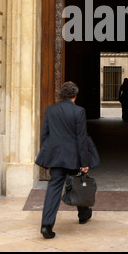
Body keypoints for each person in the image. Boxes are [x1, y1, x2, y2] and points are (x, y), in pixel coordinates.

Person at [35, 81, 92, 239]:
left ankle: (46, 225)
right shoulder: (79, 111)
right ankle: (83, 214)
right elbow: (81, 139)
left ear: (61, 95)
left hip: (56, 157)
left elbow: (44, 135)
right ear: (75, 95)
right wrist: (85, 163)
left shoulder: (50, 110)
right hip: (73, 158)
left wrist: (48, 154)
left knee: (53, 190)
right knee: (79, 185)